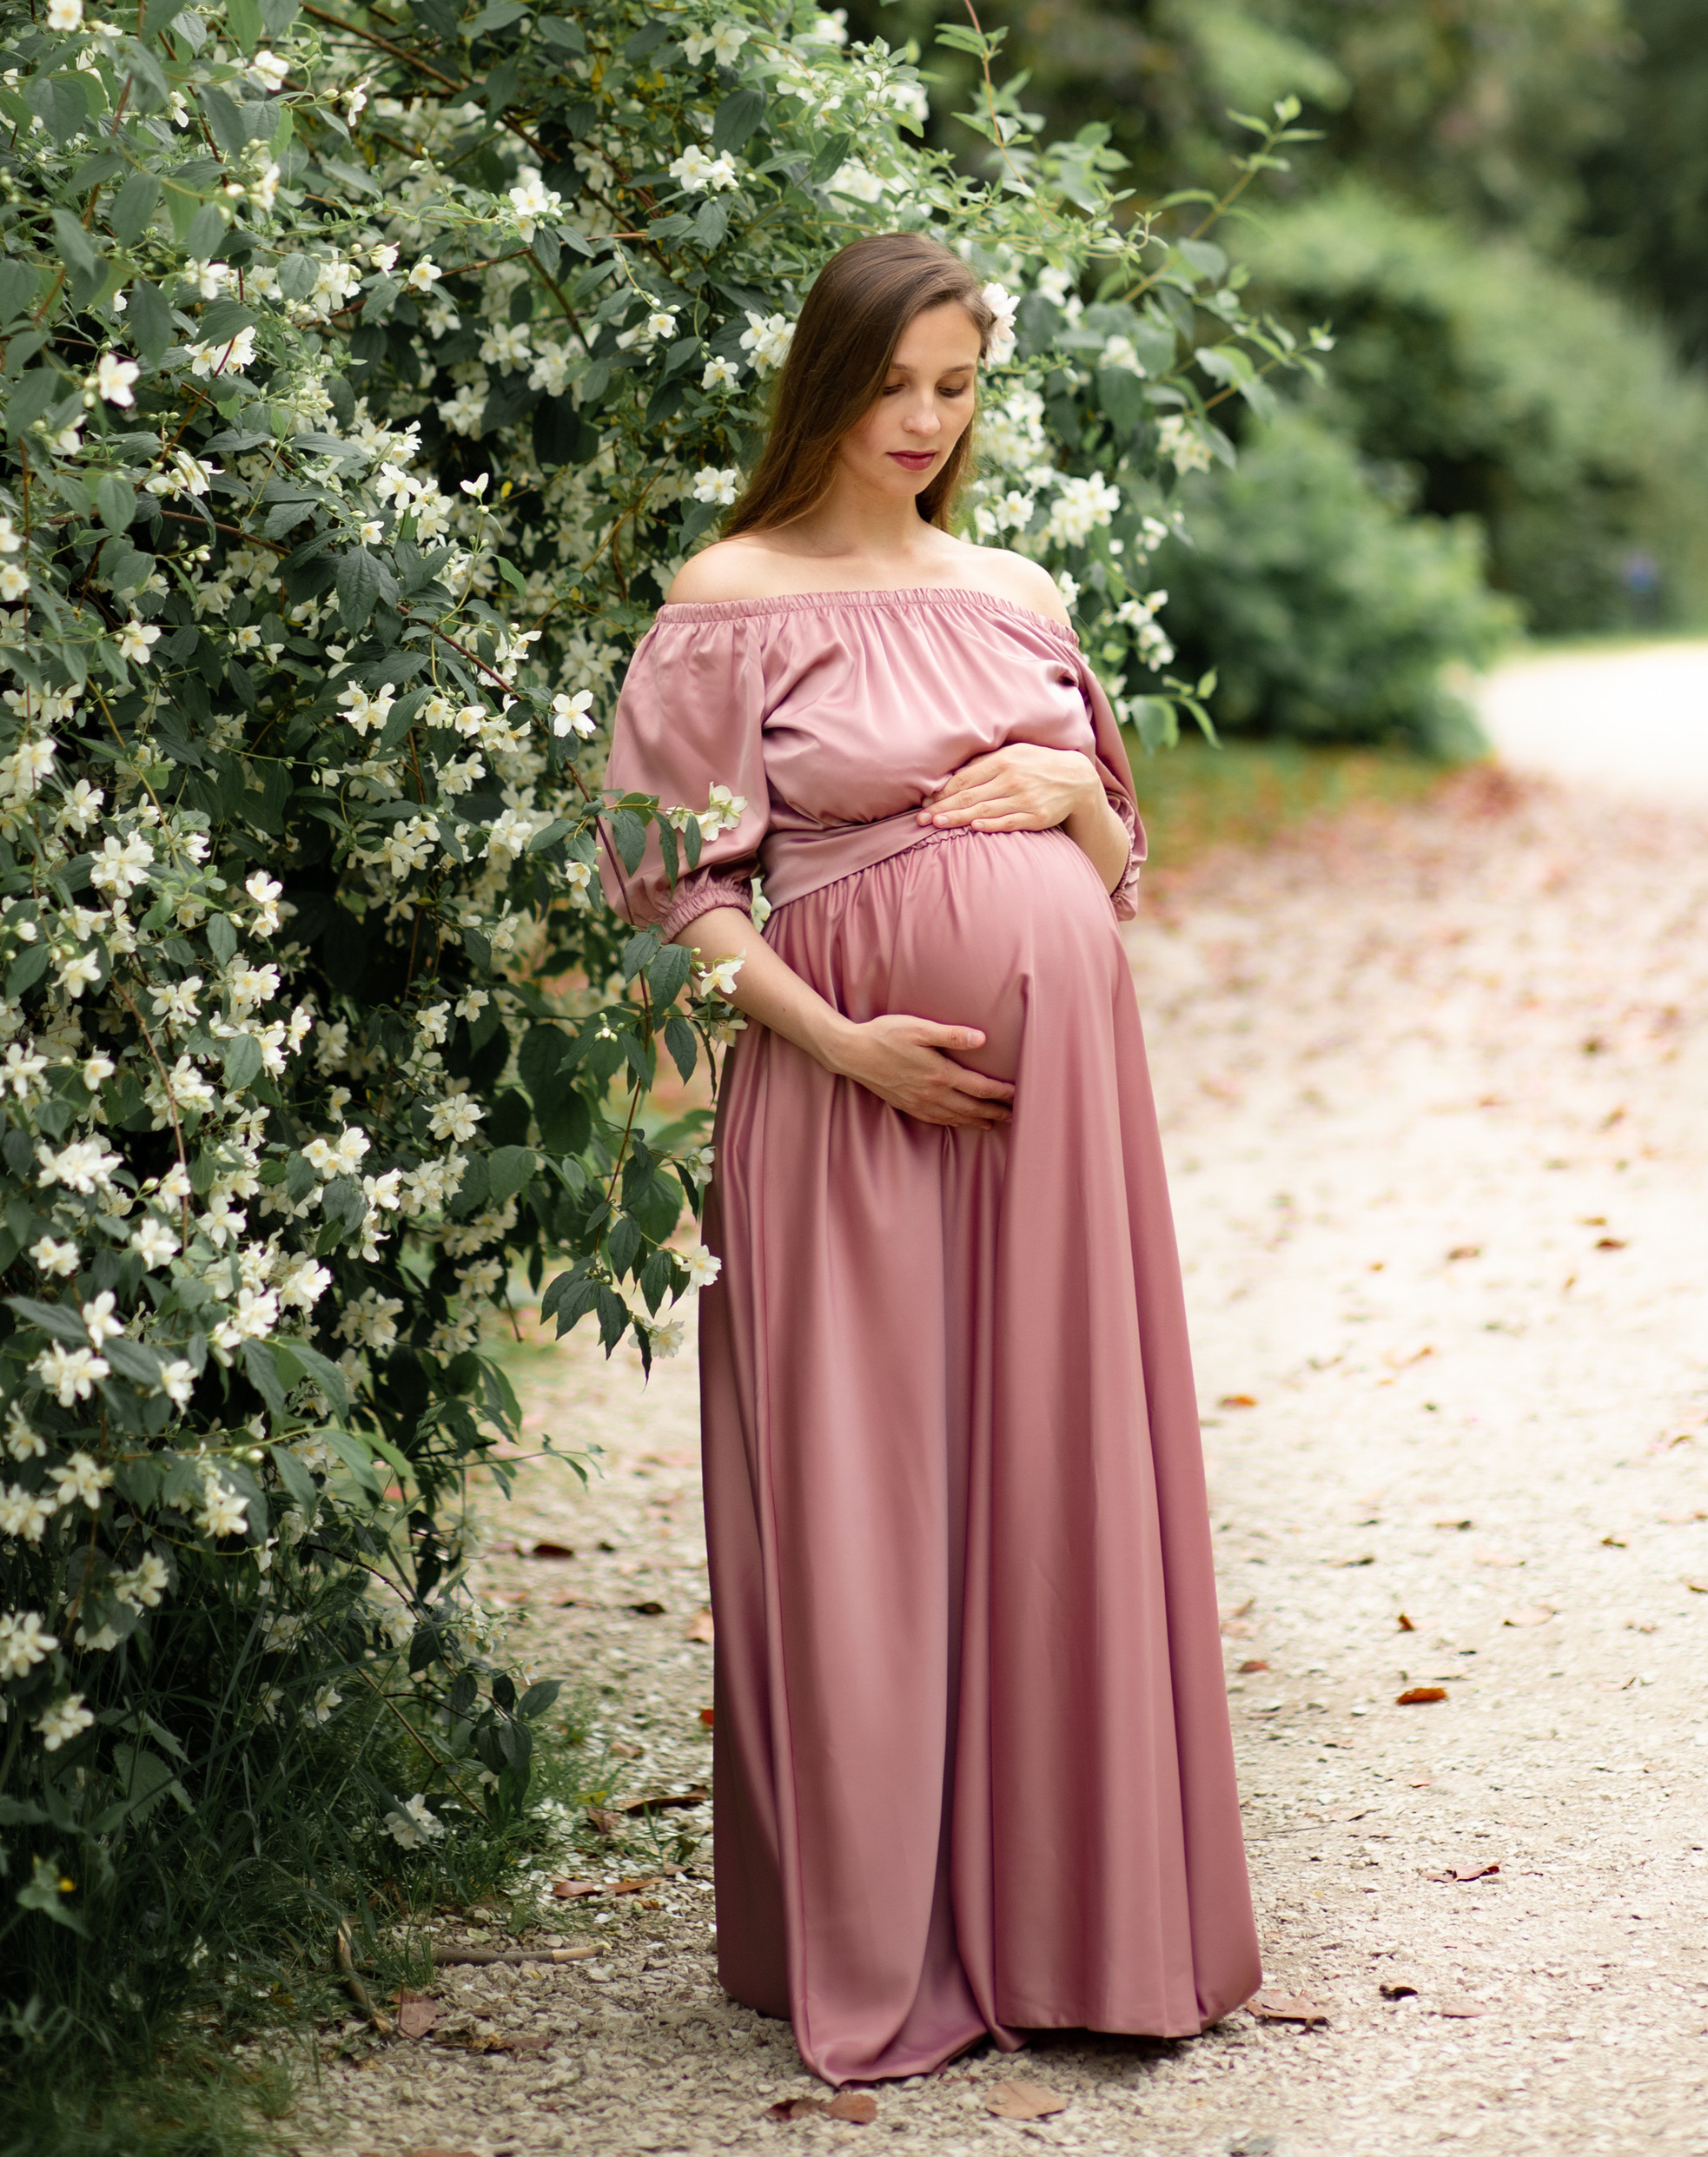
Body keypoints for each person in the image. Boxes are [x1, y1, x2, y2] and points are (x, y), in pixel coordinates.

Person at [600, 231, 1261, 2088]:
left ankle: (1082, 1926)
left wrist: (1080, 809)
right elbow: (679, 891)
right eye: (892, 384)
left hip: (1062, 1133)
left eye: (955, 387)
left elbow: (1108, 853)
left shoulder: (1010, 588)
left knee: (1057, 1475)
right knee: (871, 1500)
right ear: (824, 382)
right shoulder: (727, 596)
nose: (923, 421)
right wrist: (841, 1040)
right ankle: (895, 1932)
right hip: (843, 1106)